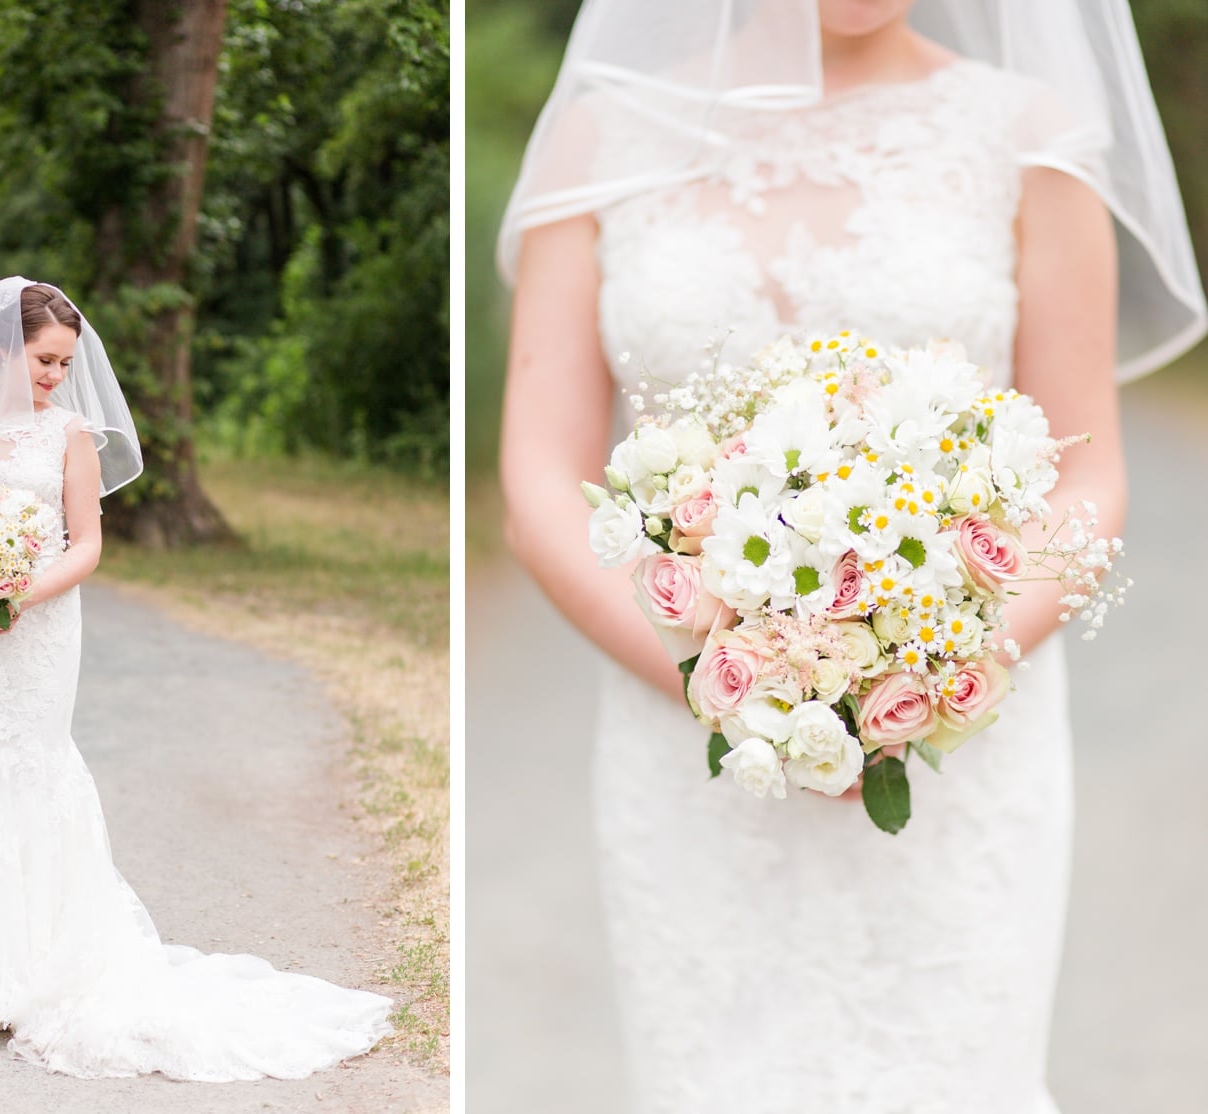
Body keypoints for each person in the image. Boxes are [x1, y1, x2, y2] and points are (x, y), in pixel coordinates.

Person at [497, 1, 1205, 1110]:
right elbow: (540, 477)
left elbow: (1090, 474)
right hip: (687, 736)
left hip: (954, 752)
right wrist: (735, 692)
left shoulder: (1028, 134)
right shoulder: (603, 136)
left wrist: (921, 679)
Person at [0, 276, 393, 1079]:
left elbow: (84, 543)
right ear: (9, 347)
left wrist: (19, 592)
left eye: (66, 364)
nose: (57, 376)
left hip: (41, 623)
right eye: (47, 361)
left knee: (35, 761)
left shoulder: (69, 434)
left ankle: (39, 965)